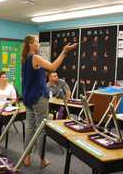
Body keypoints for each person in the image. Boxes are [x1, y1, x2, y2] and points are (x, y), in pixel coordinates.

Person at [21, 34, 77, 167]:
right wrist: (64, 52)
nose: (39, 44)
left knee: (30, 127)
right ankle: (42, 159)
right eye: (37, 42)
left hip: (28, 97)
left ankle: (26, 157)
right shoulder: (35, 57)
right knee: (41, 129)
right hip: (39, 98)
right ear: (30, 44)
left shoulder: (24, 59)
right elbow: (53, 67)